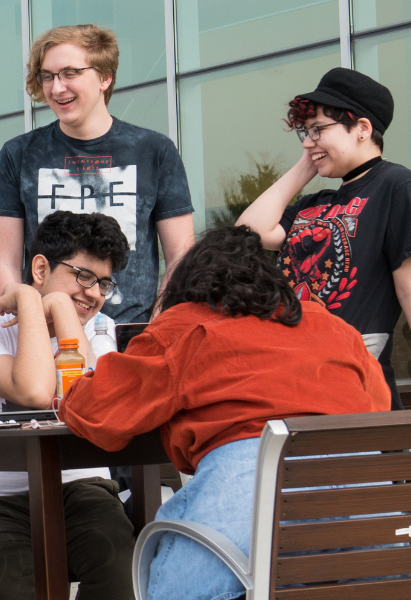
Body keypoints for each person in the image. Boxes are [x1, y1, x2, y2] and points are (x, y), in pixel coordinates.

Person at [58, 225, 391, 600]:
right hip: (366, 506)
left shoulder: (186, 324)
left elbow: (92, 410)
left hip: (249, 491)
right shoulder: (332, 326)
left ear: (188, 288)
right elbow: (378, 405)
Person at [233, 67, 411, 409]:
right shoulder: (312, 204)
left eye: (318, 130)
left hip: (354, 389)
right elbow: (248, 233)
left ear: (362, 128)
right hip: (292, 383)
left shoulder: (397, 186)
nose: (308, 141)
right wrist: (307, 164)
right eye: (305, 132)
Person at [0, 210, 132, 599]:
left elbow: (89, 398)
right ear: (41, 268)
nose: (95, 293)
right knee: (7, 583)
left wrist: (62, 310)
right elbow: (32, 391)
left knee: (117, 565)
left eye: (104, 283)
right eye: (83, 276)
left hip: (81, 488)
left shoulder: (101, 331)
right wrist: (32, 302)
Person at [0, 25, 194, 324]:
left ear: (104, 76)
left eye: (70, 73)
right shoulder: (18, 154)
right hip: (47, 335)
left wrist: (157, 328)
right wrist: (29, 320)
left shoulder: (154, 151)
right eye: (47, 76)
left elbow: (181, 257)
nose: (57, 88)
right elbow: (5, 263)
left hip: (133, 336)